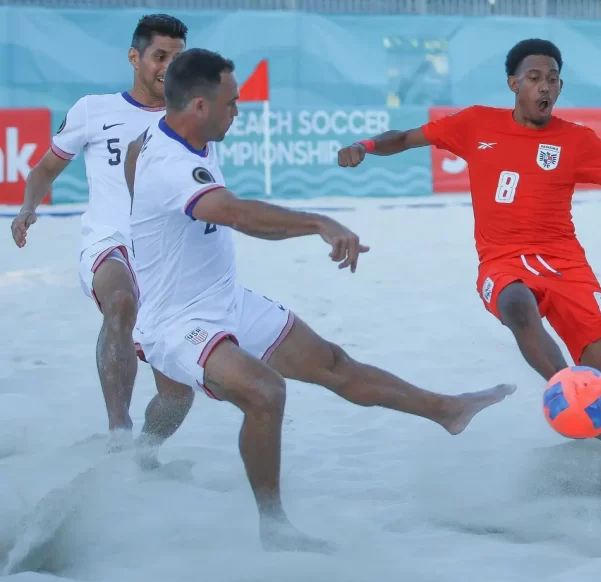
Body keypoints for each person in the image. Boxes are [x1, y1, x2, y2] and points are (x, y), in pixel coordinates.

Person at [126, 48, 515, 552]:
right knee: (265, 393)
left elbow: (151, 163)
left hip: (224, 298)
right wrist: (317, 222)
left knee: (333, 362)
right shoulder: (171, 162)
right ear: (199, 106)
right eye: (232, 103)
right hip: (178, 320)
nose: (238, 111)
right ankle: (274, 528)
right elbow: (235, 213)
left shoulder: (179, 133)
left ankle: (447, 410)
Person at [337, 39, 601, 446]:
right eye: (535, 78)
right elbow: (408, 138)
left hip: (565, 262)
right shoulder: (476, 124)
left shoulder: (578, 139)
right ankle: (567, 390)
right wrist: (365, 146)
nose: (545, 88)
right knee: (517, 305)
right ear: (513, 84)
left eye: (553, 80)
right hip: (502, 260)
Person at [9, 14, 190, 451]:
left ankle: (144, 456)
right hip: (108, 241)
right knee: (121, 302)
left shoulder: (190, 118)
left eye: (177, 58)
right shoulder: (94, 109)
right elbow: (46, 168)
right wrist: (28, 207)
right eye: (159, 56)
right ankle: (118, 434)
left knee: (179, 392)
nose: (168, 66)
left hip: (164, 255)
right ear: (135, 57)